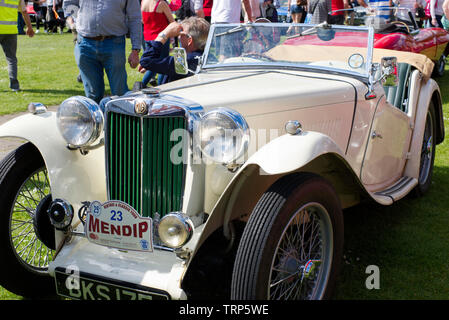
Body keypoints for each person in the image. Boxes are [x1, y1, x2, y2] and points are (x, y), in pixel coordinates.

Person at [67, 0, 142, 104]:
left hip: (114, 43)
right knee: (92, 95)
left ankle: (120, 120)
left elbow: (135, 17)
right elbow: (69, 4)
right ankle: (96, 119)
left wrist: (135, 49)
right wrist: (77, 20)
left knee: (119, 94)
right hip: (85, 44)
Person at [139, 17, 210, 84]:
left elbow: (146, 60)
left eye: (181, 33)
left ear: (189, 40)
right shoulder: (208, 58)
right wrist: (155, 65)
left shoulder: (184, 62)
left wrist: (165, 33)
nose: (178, 36)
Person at [0, 0, 34, 92]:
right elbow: (24, 11)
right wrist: (29, 27)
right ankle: (15, 86)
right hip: (11, 30)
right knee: (11, 59)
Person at [141, 0, 175, 87]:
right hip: (161, 37)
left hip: (148, 36)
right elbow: (172, 21)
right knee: (162, 64)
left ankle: (142, 85)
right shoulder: (161, 3)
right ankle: (161, 86)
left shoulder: (143, 1)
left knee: (152, 64)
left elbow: (142, 20)